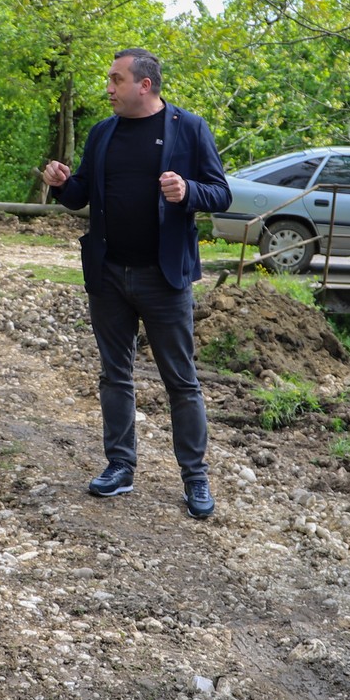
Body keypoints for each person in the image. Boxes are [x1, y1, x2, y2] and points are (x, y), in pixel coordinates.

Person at [40, 49, 232, 518]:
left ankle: (195, 478)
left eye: (116, 79)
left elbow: (221, 193)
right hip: (108, 273)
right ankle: (120, 467)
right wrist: (61, 184)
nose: (108, 88)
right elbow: (81, 194)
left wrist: (188, 191)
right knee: (114, 375)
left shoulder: (189, 128)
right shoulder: (102, 132)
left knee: (181, 381)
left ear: (144, 85)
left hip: (164, 278)